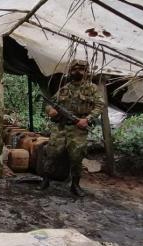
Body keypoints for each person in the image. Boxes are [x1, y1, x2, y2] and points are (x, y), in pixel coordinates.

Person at [41, 60, 105, 197]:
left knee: (76, 158)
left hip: (78, 128)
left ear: (86, 72)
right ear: (70, 71)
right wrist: (50, 110)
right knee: (51, 153)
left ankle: (75, 185)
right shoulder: (64, 88)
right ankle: (45, 180)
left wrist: (86, 119)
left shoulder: (91, 88)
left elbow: (100, 105)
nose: (78, 72)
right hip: (61, 127)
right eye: (75, 69)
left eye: (81, 69)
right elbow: (50, 104)